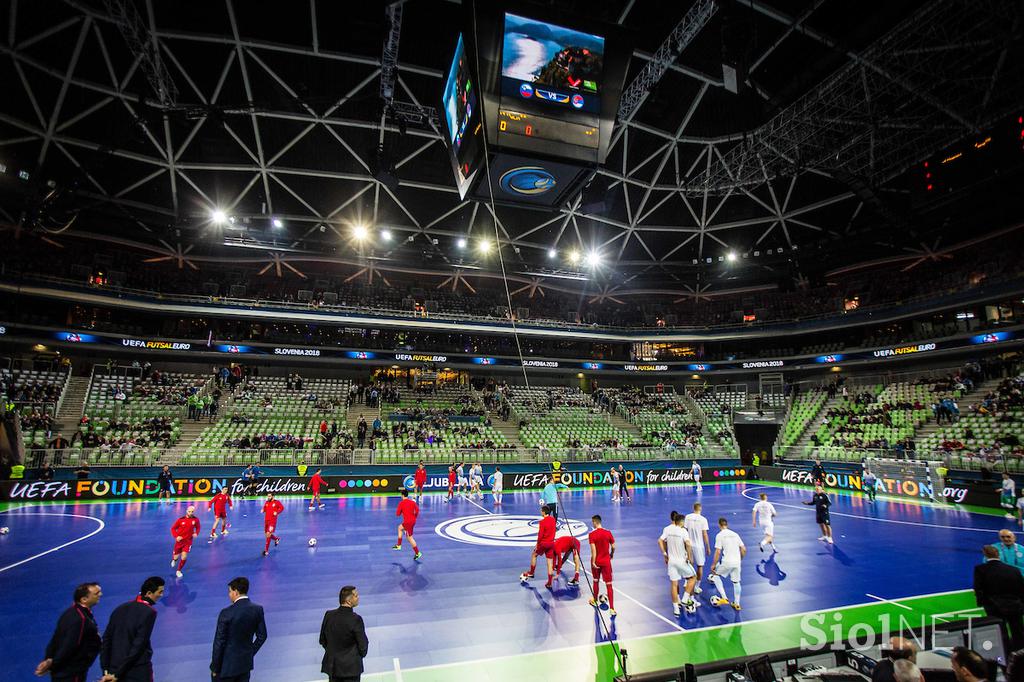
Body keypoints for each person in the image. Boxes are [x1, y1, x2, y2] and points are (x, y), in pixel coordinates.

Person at [100, 576, 165, 682]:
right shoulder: (149, 612)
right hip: (137, 670)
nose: (161, 595)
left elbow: (106, 639)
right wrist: (118, 674)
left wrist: (106, 670)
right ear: (149, 593)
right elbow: (139, 645)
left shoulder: (120, 608)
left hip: (113, 666)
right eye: (160, 592)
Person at [35, 582, 103, 680]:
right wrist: (53, 664)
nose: (100, 594)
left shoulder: (70, 612)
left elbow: (56, 638)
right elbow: (70, 645)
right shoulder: (81, 619)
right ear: (84, 599)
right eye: (96, 593)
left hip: (65, 670)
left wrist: (49, 659)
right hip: (72, 671)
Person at [210, 577, 267, 682]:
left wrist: (215, 668)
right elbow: (262, 636)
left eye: (230, 591)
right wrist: (250, 652)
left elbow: (219, 642)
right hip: (245, 666)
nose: (229, 594)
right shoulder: (258, 610)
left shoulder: (226, 613)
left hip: (226, 669)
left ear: (236, 592)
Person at [974, 544, 1024, 650]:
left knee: (1000, 631)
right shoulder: (1013, 569)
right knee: (1018, 630)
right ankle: (1020, 651)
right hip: (1014, 605)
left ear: (985, 554)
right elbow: (1021, 588)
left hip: (994, 606)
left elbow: (978, 588)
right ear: (998, 554)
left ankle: (1005, 651)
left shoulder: (980, 569)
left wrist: (982, 603)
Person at [320, 585, 369, 682]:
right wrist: (354, 657)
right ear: (348, 601)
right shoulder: (356, 619)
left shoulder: (328, 615)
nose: (358, 597)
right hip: (351, 670)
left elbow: (322, 640)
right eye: (356, 595)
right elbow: (363, 647)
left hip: (333, 668)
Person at [659, 511, 697, 616]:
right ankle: (685, 598)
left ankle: (676, 609)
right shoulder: (683, 531)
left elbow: (660, 541)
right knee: (693, 577)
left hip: (671, 561)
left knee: (674, 585)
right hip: (681, 561)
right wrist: (690, 557)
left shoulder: (667, 530)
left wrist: (664, 554)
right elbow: (688, 545)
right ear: (681, 522)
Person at [709, 517, 746, 610]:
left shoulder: (720, 535)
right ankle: (737, 604)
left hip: (727, 562)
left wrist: (714, 564)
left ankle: (724, 597)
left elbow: (718, 552)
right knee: (736, 582)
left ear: (719, 525)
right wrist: (740, 558)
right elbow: (744, 549)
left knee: (715, 575)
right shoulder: (735, 534)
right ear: (727, 524)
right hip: (737, 562)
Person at [520, 505, 557, 589]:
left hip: (543, 543)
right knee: (549, 563)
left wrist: (537, 545)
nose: (540, 512)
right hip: (551, 543)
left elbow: (540, 536)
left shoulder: (542, 522)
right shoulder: (553, 519)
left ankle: (532, 572)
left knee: (534, 555)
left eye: (541, 511)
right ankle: (549, 583)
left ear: (544, 512)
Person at [588, 515, 617, 616]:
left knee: (596, 581)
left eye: (592, 522)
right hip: (606, 562)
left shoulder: (592, 535)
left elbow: (593, 550)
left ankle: (595, 600)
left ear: (595, 522)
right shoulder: (608, 533)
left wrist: (594, 562)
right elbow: (613, 546)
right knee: (609, 584)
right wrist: (611, 554)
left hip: (597, 562)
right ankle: (612, 609)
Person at [684, 502, 711, 592]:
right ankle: (696, 587)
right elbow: (705, 534)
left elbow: (685, 530)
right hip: (699, 546)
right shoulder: (703, 519)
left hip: (689, 545)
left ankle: (687, 582)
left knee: (689, 565)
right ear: (701, 509)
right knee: (700, 566)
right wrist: (708, 547)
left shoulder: (687, 517)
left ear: (693, 508)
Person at [170, 505, 200, 578]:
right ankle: (174, 560)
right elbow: (173, 529)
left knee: (184, 557)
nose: (191, 513)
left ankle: (179, 570)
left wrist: (196, 533)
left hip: (188, 541)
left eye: (192, 512)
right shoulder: (180, 520)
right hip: (179, 542)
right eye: (189, 511)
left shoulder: (196, 520)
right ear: (186, 511)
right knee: (176, 557)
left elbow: (198, 527)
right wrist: (176, 536)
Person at [392, 490, 422, 561]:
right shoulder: (412, 502)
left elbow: (397, 514)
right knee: (403, 531)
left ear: (402, 495)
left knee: (409, 537)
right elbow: (417, 510)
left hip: (408, 522)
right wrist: (414, 517)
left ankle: (399, 545)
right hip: (413, 521)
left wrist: (402, 511)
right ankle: (417, 553)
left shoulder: (401, 503)